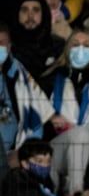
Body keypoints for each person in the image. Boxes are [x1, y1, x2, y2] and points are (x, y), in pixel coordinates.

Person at [42, 29, 89, 195]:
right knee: (80, 134)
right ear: (67, 50)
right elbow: (36, 117)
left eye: (86, 46)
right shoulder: (51, 78)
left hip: (88, 148)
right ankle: (75, 194)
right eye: (75, 45)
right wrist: (50, 120)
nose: (80, 49)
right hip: (54, 149)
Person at [0, 20, 56, 166]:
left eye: (1, 43)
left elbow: (34, 116)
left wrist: (23, 153)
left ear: (9, 47)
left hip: (15, 155)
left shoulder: (18, 72)